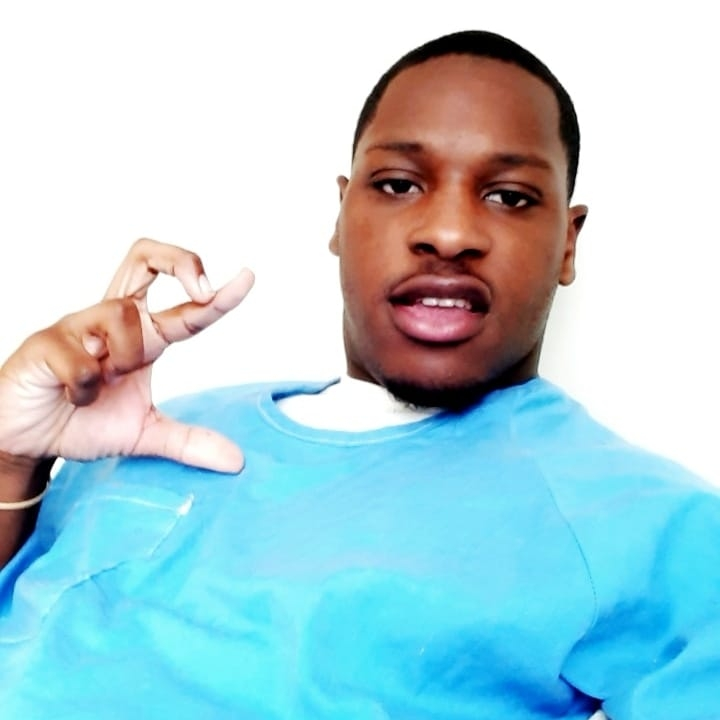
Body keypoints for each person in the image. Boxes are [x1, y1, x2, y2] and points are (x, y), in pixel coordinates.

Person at [0, 29, 718, 720]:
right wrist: (13, 458)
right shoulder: (164, 426)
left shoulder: (651, 525)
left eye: (509, 197)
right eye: (399, 184)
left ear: (567, 243)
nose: (449, 234)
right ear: (341, 215)